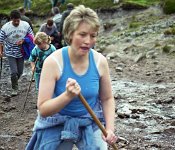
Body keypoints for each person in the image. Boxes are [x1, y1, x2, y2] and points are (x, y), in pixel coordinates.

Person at [26, 5, 117, 149]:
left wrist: (110, 129)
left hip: (90, 120)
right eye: (82, 34)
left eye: (93, 35)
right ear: (69, 33)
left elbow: (107, 98)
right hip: (56, 121)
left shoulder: (100, 62)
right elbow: (43, 109)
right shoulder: (53, 62)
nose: (88, 41)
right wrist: (67, 96)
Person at [0, 10, 34, 96]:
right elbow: (0, 41)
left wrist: (24, 40)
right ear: (11, 19)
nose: (16, 22)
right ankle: (14, 88)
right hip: (10, 52)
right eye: (14, 20)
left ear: (20, 19)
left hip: (21, 52)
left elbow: (32, 37)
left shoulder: (25, 25)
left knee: (20, 72)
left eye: (18, 20)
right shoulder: (5, 28)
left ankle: (14, 80)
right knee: (14, 72)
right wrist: (0, 51)